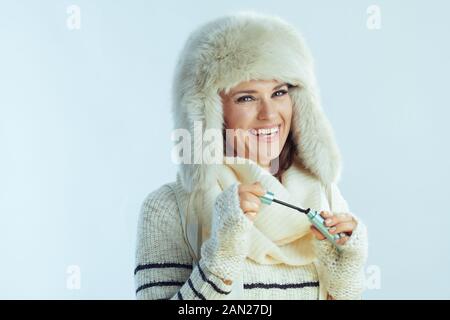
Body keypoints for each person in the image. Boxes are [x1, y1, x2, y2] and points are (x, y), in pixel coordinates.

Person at [134, 11, 368, 300]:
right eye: (247, 97)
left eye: (279, 93)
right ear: (210, 112)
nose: (269, 114)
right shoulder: (169, 208)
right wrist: (222, 253)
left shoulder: (324, 196)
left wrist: (345, 273)